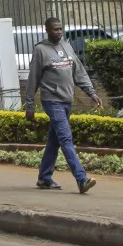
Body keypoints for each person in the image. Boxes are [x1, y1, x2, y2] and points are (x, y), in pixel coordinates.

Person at [27, 17, 103, 194]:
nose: (59, 32)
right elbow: (33, 79)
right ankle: (81, 179)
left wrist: (91, 93)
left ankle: (44, 178)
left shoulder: (67, 46)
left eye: (60, 29)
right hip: (52, 101)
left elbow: (79, 72)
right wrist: (29, 105)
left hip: (66, 100)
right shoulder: (40, 50)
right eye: (55, 29)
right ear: (47, 30)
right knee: (65, 138)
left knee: (54, 141)